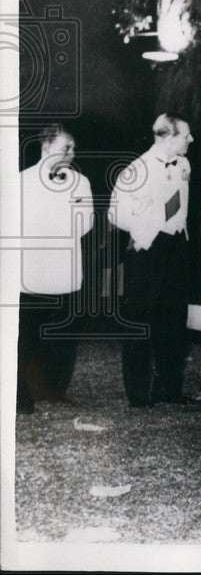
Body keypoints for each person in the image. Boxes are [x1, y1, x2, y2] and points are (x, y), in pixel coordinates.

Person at [109, 113, 193, 407]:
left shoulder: (184, 164)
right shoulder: (138, 169)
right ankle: (138, 394)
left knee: (173, 320)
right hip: (147, 251)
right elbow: (115, 213)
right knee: (139, 321)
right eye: (185, 135)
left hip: (176, 249)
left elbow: (180, 206)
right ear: (167, 137)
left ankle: (168, 389)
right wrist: (147, 226)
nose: (190, 140)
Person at [17, 125, 94, 412]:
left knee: (63, 336)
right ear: (46, 147)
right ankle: (22, 396)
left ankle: (54, 389)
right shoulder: (21, 181)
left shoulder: (80, 182)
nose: (71, 154)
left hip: (65, 272)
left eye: (73, 149)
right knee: (28, 336)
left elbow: (85, 222)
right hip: (32, 273)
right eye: (65, 148)